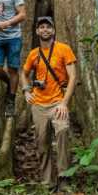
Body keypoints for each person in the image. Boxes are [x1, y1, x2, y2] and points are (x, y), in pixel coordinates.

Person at [19, 17, 77, 186]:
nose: (45, 30)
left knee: (62, 131)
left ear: (53, 30)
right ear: (37, 31)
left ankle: (64, 177)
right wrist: (25, 90)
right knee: (42, 143)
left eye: (48, 27)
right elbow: (23, 73)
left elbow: (73, 76)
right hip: (38, 104)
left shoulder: (63, 49)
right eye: (41, 27)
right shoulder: (33, 54)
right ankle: (47, 181)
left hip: (58, 102)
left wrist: (64, 103)